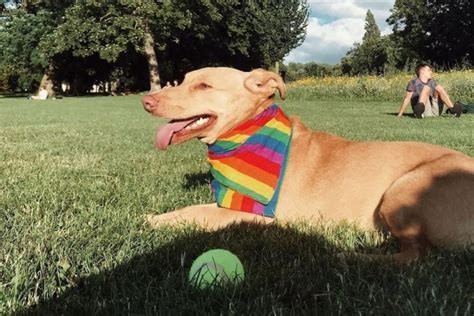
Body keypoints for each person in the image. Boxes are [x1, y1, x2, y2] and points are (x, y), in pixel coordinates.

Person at [397, 63, 463, 118]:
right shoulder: (413, 82)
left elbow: (441, 93)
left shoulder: (432, 81)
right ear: (422, 71)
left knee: (439, 88)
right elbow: (407, 98)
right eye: (429, 70)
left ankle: (453, 110)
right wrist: (400, 114)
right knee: (426, 88)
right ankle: (419, 110)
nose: (431, 72)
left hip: (435, 112)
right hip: (424, 111)